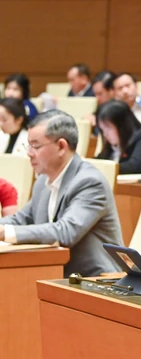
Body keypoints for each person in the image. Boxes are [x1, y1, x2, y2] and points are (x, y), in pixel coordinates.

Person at [0, 110, 123, 277]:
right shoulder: (43, 182)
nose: (29, 153)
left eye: (35, 146)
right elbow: (21, 219)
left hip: (96, 281)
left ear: (61, 146)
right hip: (55, 276)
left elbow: (65, 232)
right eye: (28, 145)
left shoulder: (90, 182)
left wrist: (4, 233)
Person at [96, 100, 141, 175]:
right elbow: (100, 160)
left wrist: (104, 168)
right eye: (103, 129)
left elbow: (133, 167)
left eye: (108, 128)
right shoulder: (112, 143)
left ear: (122, 125)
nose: (105, 134)